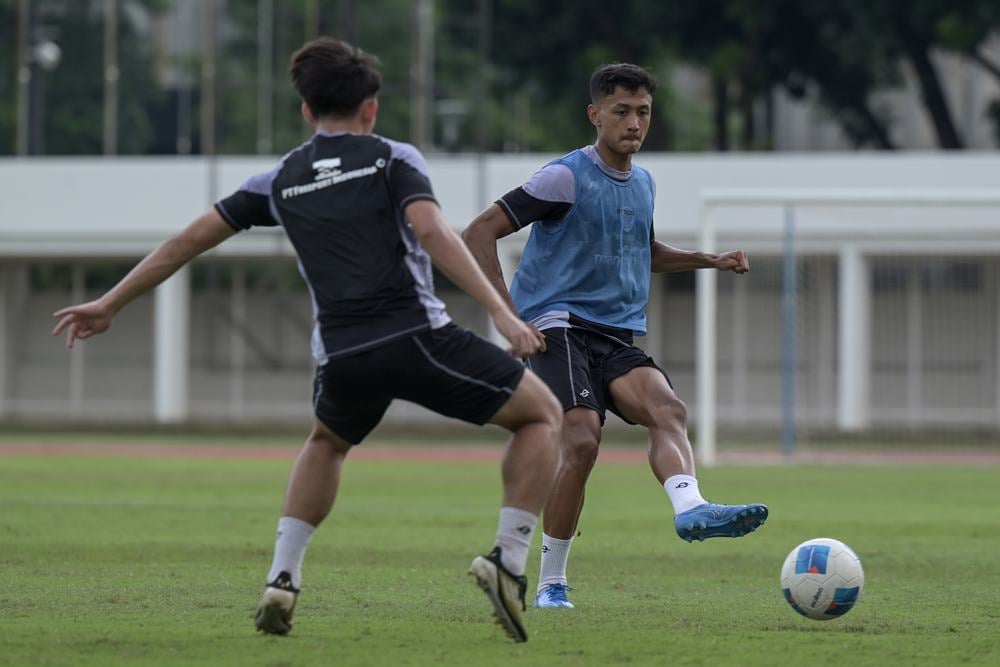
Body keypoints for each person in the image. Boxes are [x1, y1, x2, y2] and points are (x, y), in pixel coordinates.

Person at [51, 37, 561, 643]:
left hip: (341, 355)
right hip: (415, 336)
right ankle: (506, 560)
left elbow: (185, 242)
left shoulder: (281, 178)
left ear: (306, 111)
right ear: (370, 107)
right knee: (542, 416)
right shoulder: (393, 158)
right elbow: (431, 231)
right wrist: (499, 314)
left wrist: (109, 302)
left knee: (327, 442)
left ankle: (282, 578)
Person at [462, 63, 768, 610]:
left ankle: (690, 506)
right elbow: (479, 231)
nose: (634, 123)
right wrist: (508, 318)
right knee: (581, 442)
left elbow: (643, 253)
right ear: (595, 114)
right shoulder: (565, 177)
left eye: (643, 112)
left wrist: (709, 259)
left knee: (668, 409)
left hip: (613, 334)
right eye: (622, 111)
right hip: (558, 326)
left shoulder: (644, 182)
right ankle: (552, 583)